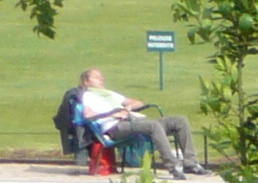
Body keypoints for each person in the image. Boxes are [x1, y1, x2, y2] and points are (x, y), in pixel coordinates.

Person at [72, 68, 201, 176]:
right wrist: (114, 113)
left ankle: (191, 163)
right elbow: (87, 114)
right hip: (115, 127)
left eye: (101, 77)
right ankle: (173, 166)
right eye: (96, 77)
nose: (101, 79)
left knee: (179, 121)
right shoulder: (87, 95)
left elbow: (138, 103)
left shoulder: (109, 93)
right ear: (86, 81)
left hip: (134, 120)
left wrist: (127, 108)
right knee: (153, 126)